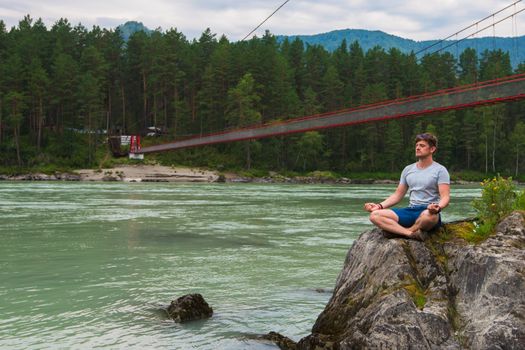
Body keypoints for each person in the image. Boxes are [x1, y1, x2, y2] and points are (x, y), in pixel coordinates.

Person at [364, 133, 450, 240]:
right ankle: (409, 234)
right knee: (375, 215)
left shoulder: (440, 170)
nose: (418, 148)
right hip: (410, 211)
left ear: (432, 149)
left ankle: (400, 231)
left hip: (428, 211)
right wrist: (379, 206)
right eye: (417, 145)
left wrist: (437, 208)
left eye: (422, 146)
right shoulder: (408, 170)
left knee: (429, 218)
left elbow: (445, 197)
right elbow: (398, 195)